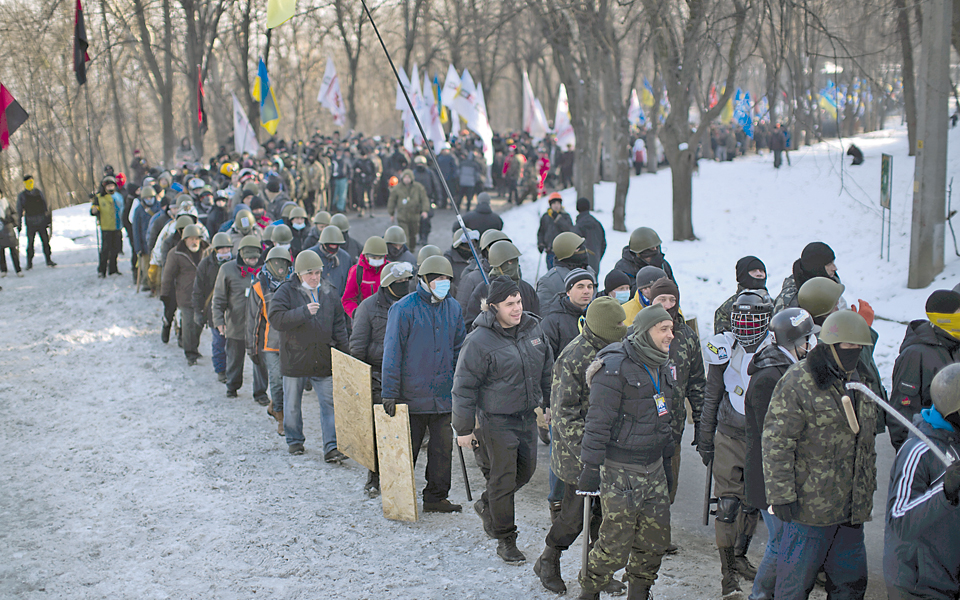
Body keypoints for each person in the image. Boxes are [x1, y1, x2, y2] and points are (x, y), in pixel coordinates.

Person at [762, 310, 883, 599]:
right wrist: (780, 495)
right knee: (793, 587)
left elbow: (867, 441)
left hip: (851, 510)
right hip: (809, 511)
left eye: (859, 348)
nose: (853, 354)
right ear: (829, 346)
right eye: (847, 347)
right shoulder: (799, 382)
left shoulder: (863, 381)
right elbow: (777, 442)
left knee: (850, 586)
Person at [575, 304, 676, 600]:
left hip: (653, 467)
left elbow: (665, 414)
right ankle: (590, 590)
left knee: (654, 542)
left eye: (671, 329)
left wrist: (667, 458)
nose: (671, 335)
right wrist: (590, 469)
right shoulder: (615, 366)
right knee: (614, 546)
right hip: (622, 472)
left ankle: (639, 593)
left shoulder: (661, 362)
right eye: (664, 329)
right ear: (646, 332)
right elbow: (597, 423)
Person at [453, 275, 554, 564]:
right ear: (493, 307)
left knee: (526, 471)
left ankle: (487, 503)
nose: (517, 308)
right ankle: (506, 539)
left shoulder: (533, 328)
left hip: (526, 417)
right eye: (510, 304)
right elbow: (463, 387)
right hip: (495, 420)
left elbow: (547, 367)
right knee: (502, 479)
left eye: (519, 301)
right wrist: (462, 428)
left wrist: (548, 402)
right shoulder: (479, 341)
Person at [534, 297, 628, 595]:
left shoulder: (614, 350)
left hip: (607, 449)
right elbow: (564, 415)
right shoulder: (573, 356)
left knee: (603, 516)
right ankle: (548, 559)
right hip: (578, 456)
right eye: (617, 327)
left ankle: (594, 569)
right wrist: (589, 454)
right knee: (574, 518)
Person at [698, 291, 774, 597]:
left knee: (754, 501)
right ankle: (727, 573)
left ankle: (740, 555)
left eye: (751, 319)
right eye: (739, 319)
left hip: (762, 437)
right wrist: (705, 435)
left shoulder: (777, 348)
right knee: (727, 504)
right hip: (729, 432)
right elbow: (712, 393)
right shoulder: (724, 346)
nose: (744, 326)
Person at [743, 308, 818, 600]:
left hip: (784, 474)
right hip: (770, 477)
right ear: (792, 342)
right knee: (781, 541)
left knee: (787, 540)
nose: (811, 344)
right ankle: (760, 596)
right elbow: (772, 436)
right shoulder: (768, 378)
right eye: (807, 338)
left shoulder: (790, 368)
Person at [381, 255, 466, 513]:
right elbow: (392, 351)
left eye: (447, 279)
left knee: (442, 451)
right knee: (407, 450)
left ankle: (436, 497)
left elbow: (459, 350)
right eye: (438, 279)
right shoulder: (404, 308)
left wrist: (460, 389)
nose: (443, 284)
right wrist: (389, 392)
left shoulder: (453, 308)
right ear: (425, 280)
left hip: (443, 396)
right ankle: (397, 496)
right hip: (411, 396)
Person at [884, 364, 960, 600]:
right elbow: (899, 519)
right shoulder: (918, 451)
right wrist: (944, 491)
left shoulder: (956, 442)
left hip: (948, 577)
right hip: (918, 583)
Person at [268, 250, 350, 461]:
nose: (314, 277)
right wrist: (303, 312)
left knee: (329, 404)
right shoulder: (286, 291)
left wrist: (345, 353)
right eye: (309, 273)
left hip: (322, 358)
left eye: (317, 272)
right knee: (292, 403)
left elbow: (339, 324)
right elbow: (276, 318)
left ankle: (331, 447)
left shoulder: (330, 291)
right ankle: (295, 440)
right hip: (294, 358)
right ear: (298, 274)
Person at [350, 261, 415, 496]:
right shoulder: (368, 308)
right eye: (398, 283)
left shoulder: (412, 304)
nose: (403, 286)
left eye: (406, 282)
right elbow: (357, 347)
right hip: (378, 376)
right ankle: (375, 476)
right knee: (381, 430)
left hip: (409, 376)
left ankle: (402, 477)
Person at [648, 277, 706, 511]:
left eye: (672, 299)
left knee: (669, 485)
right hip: (641, 425)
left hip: (674, 425)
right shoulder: (639, 332)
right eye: (662, 299)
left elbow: (698, 383)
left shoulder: (686, 337)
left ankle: (660, 535)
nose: (668, 305)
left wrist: (703, 422)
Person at [889, 289, 960, 452]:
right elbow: (901, 416)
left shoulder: (955, 346)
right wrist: (912, 453)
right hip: (932, 452)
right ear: (944, 318)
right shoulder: (916, 355)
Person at [213, 234, 268, 403]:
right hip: (236, 323)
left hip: (259, 325)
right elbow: (219, 298)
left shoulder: (264, 271)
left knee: (260, 361)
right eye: (249, 256)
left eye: (255, 256)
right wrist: (219, 321)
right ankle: (232, 386)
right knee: (234, 358)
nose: (252, 259)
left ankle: (260, 393)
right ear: (241, 255)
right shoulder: (227, 270)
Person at [248, 246, 293, 434]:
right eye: (276, 262)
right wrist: (252, 348)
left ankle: (277, 406)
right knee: (276, 379)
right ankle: (281, 418)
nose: (280, 266)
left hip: (292, 342)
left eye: (283, 262)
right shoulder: (259, 287)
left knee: (290, 383)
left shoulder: (295, 284)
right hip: (271, 343)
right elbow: (253, 319)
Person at [161, 224, 209, 365]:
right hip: (185, 296)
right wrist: (165, 295)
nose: (194, 242)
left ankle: (194, 347)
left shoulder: (207, 251)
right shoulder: (175, 254)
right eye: (191, 239)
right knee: (189, 325)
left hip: (203, 297)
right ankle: (190, 354)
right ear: (184, 240)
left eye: (197, 239)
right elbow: (168, 276)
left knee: (199, 325)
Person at [193, 232, 233, 384]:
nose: (225, 252)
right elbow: (198, 291)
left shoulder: (236, 263)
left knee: (233, 344)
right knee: (219, 342)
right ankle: (221, 370)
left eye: (227, 249)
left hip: (234, 311)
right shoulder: (205, 265)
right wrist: (198, 312)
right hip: (214, 310)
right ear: (215, 250)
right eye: (221, 249)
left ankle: (232, 369)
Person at [774, 241, 840, 313]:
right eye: (829, 264)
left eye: (833, 262)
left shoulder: (832, 284)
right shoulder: (790, 301)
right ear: (816, 267)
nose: (835, 268)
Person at [542, 268, 595, 358]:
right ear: (568, 292)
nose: (586, 291)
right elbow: (546, 356)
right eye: (580, 287)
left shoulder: (597, 315)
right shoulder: (553, 320)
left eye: (590, 287)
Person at [536, 231, 593, 315]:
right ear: (567, 252)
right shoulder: (548, 281)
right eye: (578, 248)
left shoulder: (589, 271)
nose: (583, 250)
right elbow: (543, 314)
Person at [715, 256, 770, 334]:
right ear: (742, 274)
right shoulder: (726, 309)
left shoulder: (774, 305)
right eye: (754, 270)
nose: (759, 274)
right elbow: (723, 341)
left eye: (761, 271)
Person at [342, 236, 388, 318]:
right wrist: (356, 313)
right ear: (366, 256)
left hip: (387, 317)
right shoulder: (357, 272)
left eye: (380, 258)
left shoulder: (389, 269)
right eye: (373, 258)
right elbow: (348, 299)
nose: (377, 261)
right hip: (365, 318)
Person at [16, 175, 55, 269]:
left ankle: (48, 260)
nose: (30, 184)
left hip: (42, 222)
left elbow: (45, 207)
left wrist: (48, 221)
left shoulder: (38, 192)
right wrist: (19, 224)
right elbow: (19, 210)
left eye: (31, 182)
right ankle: (29, 263)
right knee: (30, 244)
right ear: (24, 183)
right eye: (28, 182)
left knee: (45, 242)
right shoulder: (22, 195)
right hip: (30, 223)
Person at [387, 169, 430, 253]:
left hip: (415, 216)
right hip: (402, 216)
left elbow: (424, 199)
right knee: (405, 235)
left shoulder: (418, 187)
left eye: (408, 177)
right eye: (405, 177)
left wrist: (425, 210)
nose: (406, 179)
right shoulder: (397, 188)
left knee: (413, 235)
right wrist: (391, 213)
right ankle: (407, 251)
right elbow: (392, 200)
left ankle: (412, 249)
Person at [91, 176, 124, 277]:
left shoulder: (118, 196)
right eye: (108, 186)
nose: (110, 188)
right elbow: (94, 208)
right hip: (106, 227)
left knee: (115, 248)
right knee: (105, 250)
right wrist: (95, 210)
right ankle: (102, 269)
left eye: (112, 185)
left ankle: (113, 269)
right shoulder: (99, 197)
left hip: (117, 226)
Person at [307, 224, 352, 295]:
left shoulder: (345, 258)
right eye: (330, 244)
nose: (333, 246)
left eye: (336, 244)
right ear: (323, 243)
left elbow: (348, 284)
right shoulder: (309, 255)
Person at [537, 193, 574, 270]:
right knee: (551, 271)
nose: (556, 205)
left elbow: (569, 230)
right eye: (554, 203)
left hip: (563, 252)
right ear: (550, 204)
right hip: (550, 250)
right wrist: (540, 243)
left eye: (558, 203)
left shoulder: (565, 216)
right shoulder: (545, 217)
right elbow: (541, 232)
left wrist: (558, 219)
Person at [574, 198, 606, 274]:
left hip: (580, 264)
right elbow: (603, 244)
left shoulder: (578, 226)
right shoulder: (597, 224)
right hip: (595, 262)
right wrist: (597, 257)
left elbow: (574, 245)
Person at [0, 186, 22, 277]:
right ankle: (3, 270)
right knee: (1, 252)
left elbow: (15, 214)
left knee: (14, 250)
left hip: (9, 229)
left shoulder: (6, 203)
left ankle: (18, 270)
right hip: (0, 231)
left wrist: (11, 220)